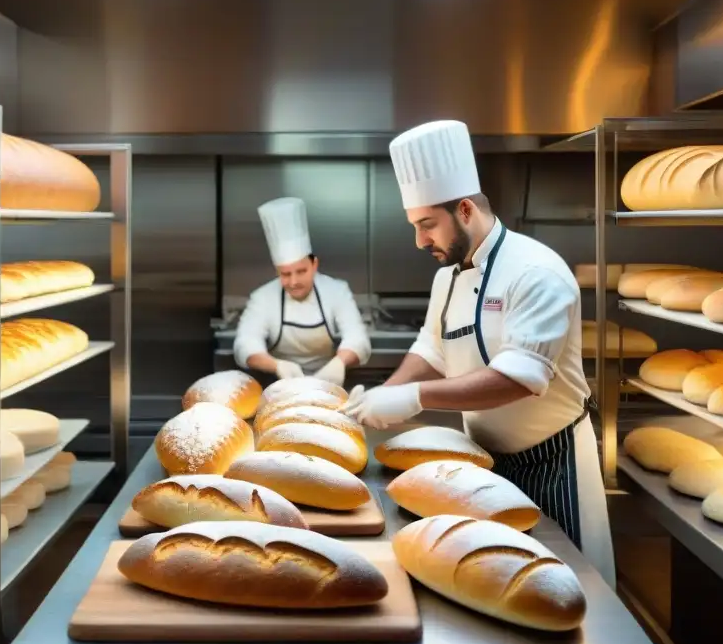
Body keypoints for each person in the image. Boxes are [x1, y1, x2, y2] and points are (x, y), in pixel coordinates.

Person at [343, 120, 615, 587]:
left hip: (553, 462)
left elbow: (519, 377)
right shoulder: (447, 276)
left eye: (427, 225)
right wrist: (386, 393)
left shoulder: (535, 272)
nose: (419, 241)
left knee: (572, 590)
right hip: (483, 461)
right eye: (415, 226)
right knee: (503, 585)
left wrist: (415, 399)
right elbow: (432, 347)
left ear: (465, 209)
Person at [234, 197, 371, 386]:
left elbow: (358, 339)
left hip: (328, 383)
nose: (294, 281)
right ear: (276, 271)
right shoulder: (263, 297)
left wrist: (339, 364)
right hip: (277, 385)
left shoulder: (336, 291)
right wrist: (276, 366)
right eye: (285, 274)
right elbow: (245, 345)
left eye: (301, 271)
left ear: (314, 264)